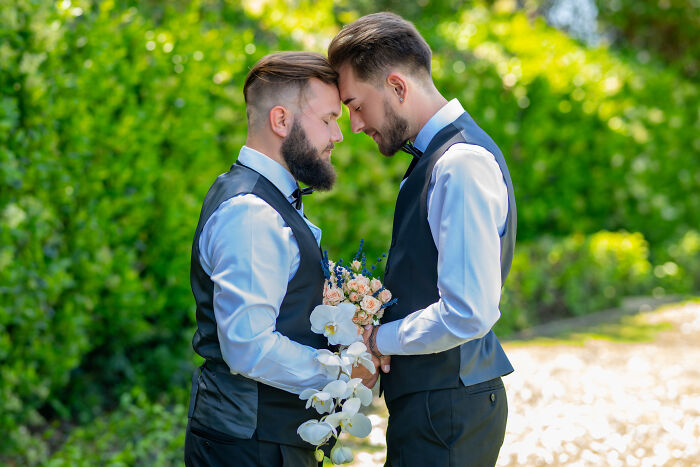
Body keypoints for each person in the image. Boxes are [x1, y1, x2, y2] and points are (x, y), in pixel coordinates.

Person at [328, 12, 517, 466]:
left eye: (356, 104)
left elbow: (468, 312)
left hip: (447, 412)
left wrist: (380, 338)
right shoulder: (438, 159)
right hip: (437, 407)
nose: (354, 125)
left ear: (396, 86)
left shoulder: (459, 164)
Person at [184, 51, 376, 467]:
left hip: (264, 439)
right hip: (250, 444)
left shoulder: (263, 199)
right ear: (281, 121)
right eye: (327, 120)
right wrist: (343, 372)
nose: (338, 136)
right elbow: (249, 347)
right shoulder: (251, 213)